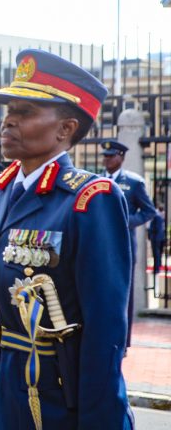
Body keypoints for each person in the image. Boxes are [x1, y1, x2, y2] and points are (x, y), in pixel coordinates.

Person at [0, 49, 133, 428]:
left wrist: (101, 420)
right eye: (8, 112)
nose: (8, 123)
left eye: (26, 113)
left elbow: (105, 332)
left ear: (65, 129)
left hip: (49, 396)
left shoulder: (88, 200)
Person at [101, 139, 156, 346]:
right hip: (100, 246)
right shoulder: (96, 181)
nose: (107, 160)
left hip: (123, 247)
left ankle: (123, 342)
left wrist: (126, 222)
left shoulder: (133, 182)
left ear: (121, 157)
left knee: (124, 297)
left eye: (111, 156)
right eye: (105, 156)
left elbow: (149, 211)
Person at [149, 204, 166, 275]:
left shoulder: (156, 216)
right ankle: (158, 266)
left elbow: (155, 228)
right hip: (161, 237)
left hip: (156, 238)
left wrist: (150, 235)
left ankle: (157, 269)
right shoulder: (162, 216)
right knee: (159, 253)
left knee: (156, 253)